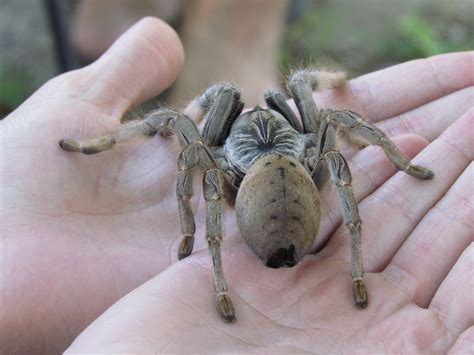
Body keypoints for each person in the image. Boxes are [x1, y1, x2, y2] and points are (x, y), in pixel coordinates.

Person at [1, 18, 472, 354]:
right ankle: (354, 273)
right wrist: (399, 162)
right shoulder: (319, 142)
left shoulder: (215, 165)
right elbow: (324, 103)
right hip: (301, 170)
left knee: (176, 128)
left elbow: (176, 131)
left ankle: (222, 283)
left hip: (244, 179)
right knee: (337, 126)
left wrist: (186, 228)